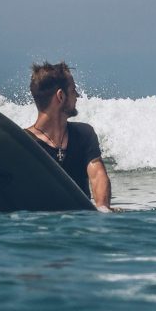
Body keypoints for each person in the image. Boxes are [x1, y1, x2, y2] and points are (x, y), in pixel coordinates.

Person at [26, 61, 114, 212]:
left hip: (79, 224)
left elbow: (98, 175)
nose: (78, 95)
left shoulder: (84, 134)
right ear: (60, 96)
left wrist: (103, 208)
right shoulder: (25, 144)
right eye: (73, 91)